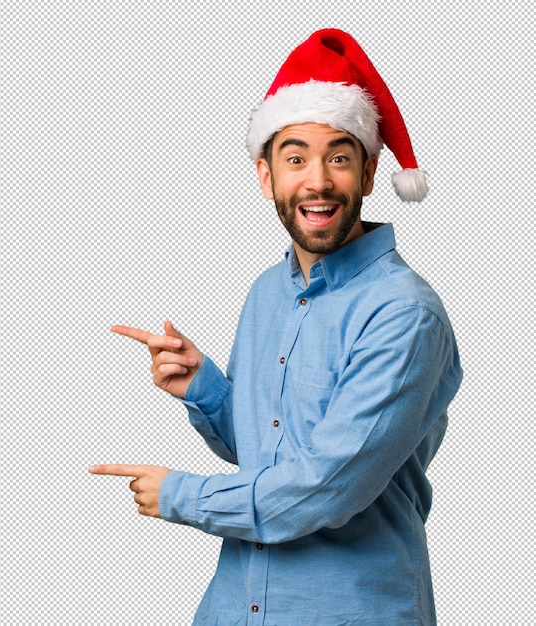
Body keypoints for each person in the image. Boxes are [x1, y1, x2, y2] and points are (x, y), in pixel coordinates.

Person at [90, 29, 462, 625]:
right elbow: (270, 456)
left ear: (368, 175)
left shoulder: (403, 315)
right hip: (237, 607)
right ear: (266, 177)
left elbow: (325, 486)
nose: (317, 181)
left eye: (339, 157)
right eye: (296, 159)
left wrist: (182, 495)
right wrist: (206, 390)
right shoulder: (268, 293)